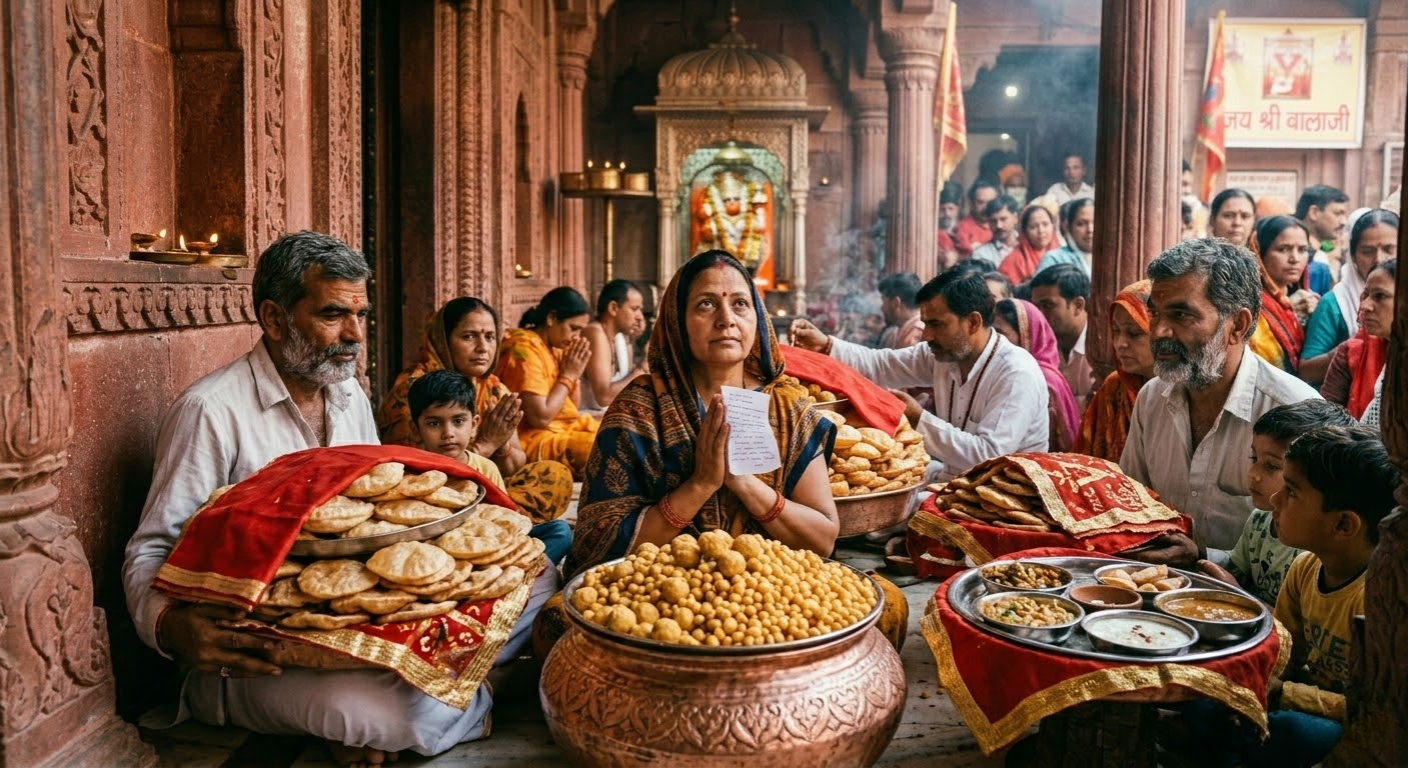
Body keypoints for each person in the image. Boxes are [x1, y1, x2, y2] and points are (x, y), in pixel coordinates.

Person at [123, 231, 556, 766]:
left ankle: (434, 690)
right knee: (408, 715)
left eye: (361, 315)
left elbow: (378, 511)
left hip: (359, 627)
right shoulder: (210, 411)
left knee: (541, 574)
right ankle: (491, 684)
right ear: (275, 319)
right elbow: (152, 549)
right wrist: (170, 627)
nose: (354, 335)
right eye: (333, 315)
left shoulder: (347, 393)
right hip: (259, 653)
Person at [567, 249, 840, 576]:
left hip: (772, 588)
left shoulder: (786, 407)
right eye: (706, 304)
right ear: (677, 321)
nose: (726, 319)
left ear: (758, 317)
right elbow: (597, 548)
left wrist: (744, 483)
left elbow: (823, 541)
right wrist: (700, 484)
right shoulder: (641, 407)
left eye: (740, 303)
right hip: (666, 590)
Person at [1120, 238, 1318, 567]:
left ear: (1237, 326)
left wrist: (1203, 558)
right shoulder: (1152, 398)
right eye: (1154, 314)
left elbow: (1312, 556)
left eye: (1181, 315)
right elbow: (1133, 505)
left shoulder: (1295, 410)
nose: (1160, 332)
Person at [789, 270, 1049, 481]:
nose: (926, 336)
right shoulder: (944, 353)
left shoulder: (1016, 373)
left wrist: (917, 418)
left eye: (937, 324)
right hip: (957, 480)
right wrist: (826, 345)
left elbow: (989, 455)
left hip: (1005, 488)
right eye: (925, 324)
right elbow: (881, 365)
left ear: (973, 322)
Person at [1259, 426, 1396, 764]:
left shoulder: (1380, 599)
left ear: (1343, 526)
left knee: (1292, 730)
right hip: (1306, 701)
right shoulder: (1305, 568)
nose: (1274, 500)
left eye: (1291, 491)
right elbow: (1284, 656)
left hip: (1359, 727)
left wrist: (1285, 695)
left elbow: (1373, 708)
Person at [377, 297, 573, 524]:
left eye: (489, 337)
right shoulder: (416, 389)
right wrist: (486, 444)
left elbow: (517, 465)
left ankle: (498, 521)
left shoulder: (494, 389)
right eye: (469, 336)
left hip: (485, 484)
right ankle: (502, 523)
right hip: (431, 496)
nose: (482, 348)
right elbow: (410, 474)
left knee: (554, 476)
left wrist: (502, 443)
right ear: (443, 341)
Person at [1197, 400, 1356, 605]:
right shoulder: (1260, 519)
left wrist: (1239, 597)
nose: (1253, 475)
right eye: (1254, 458)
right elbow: (1238, 566)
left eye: (1272, 466)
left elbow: (1293, 626)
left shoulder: (1312, 546)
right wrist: (1198, 553)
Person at [408, 370, 573, 565]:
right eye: (434, 423)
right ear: (415, 429)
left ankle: (523, 572)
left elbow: (506, 518)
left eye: (458, 421)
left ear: (475, 425)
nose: (448, 433)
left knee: (560, 531)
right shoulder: (413, 473)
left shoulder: (485, 467)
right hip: (443, 554)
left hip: (489, 546)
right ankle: (526, 572)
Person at [495, 286, 599, 477]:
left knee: (619, 433)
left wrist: (574, 373)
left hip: (561, 429)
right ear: (551, 319)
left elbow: (571, 409)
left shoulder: (554, 347)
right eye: (573, 328)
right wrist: (568, 376)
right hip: (530, 437)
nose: (576, 337)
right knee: (605, 448)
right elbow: (540, 418)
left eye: (580, 331)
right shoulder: (523, 350)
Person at [1300, 209, 1398, 385]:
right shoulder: (1334, 302)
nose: (1379, 259)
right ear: (1352, 256)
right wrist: (1353, 349)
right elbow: (1306, 370)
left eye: (1389, 249)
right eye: (1367, 251)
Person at [1075, 280, 1152, 463]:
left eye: (1134, 333)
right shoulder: (1114, 387)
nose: (1120, 344)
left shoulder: (1185, 392)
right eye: (1116, 331)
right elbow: (1084, 461)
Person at [992, 299, 1081, 451]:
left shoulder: (1044, 379)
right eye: (992, 333)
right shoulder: (998, 371)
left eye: (1001, 334)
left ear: (1027, 335)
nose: (994, 341)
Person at [1320, 259, 1395, 419]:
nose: (1365, 305)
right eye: (1365, 295)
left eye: (1380, 296)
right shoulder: (1353, 352)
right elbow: (1327, 421)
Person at [1247, 215, 1316, 375]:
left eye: (1303, 250)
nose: (1295, 259)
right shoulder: (1249, 306)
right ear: (1259, 253)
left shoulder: (1310, 302)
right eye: (1283, 249)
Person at [1029, 264, 1096, 407]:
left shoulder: (1104, 347)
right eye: (1035, 308)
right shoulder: (1037, 348)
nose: (1039, 316)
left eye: (1047, 306)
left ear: (1078, 305)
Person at [581, 278, 648, 412]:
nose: (640, 317)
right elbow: (604, 398)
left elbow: (627, 379)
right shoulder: (595, 333)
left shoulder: (620, 336)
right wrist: (643, 368)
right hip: (588, 418)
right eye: (635, 309)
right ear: (613, 308)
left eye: (640, 310)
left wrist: (632, 339)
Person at [1296, 184, 1351, 291]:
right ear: (1314, 212)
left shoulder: (1326, 250)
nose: (1344, 222)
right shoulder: (1299, 256)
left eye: (1344, 215)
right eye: (1338, 213)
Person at [997, 202, 1061, 286]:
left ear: (1053, 226)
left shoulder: (1062, 254)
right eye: (1033, 227)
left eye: (1045, 224)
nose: (1041, 231)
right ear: (1025, 231)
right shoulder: (1013, 261)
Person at [1035, 198, 1094, 276]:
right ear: (1069, 227)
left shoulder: (1111, 259)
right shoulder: (1054, 259)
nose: (1090, 230)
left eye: (1095, 222)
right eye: (1081, 224)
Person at [969, 195, 1020, 273]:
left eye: (1003, 219)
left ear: (1015, 218)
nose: (998, 225)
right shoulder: (981, 255)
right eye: (993, 221)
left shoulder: (1028, 246)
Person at [876, 271, 925, 349]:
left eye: (884, 302)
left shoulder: (920, 335)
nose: (882, 308)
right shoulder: (893, 333)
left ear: (896, 303)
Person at [954, 179, 999, 259]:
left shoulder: (1001, 226)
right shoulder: (962, 229)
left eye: (990, 202)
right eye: (980, 202)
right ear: (971, 203)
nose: (986, 207)